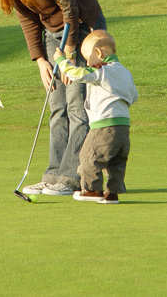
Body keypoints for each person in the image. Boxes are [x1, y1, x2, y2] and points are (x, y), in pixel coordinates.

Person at [0, 0, 107, 196]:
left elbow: (70, 7)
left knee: (76, 106)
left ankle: (71, 178)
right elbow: (27, 19)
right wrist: (40, 60)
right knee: (56, 106)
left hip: (81, 29)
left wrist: (69, 51)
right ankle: (52, 176)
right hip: (52, 34)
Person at [54, 29, 137, 204]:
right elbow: (133, 96)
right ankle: (112, 193)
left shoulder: (102, 72)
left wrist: (61, 61)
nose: (87, 62)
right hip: (123, 126)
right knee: (116, 161)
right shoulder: (125, 72)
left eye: (87, 58)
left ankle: (92, 190)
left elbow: (76, 75)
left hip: (103, 125)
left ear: (99, 53)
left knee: (88, 156)